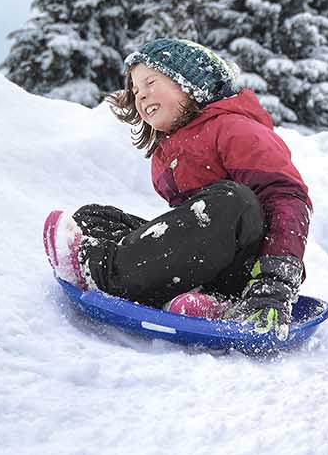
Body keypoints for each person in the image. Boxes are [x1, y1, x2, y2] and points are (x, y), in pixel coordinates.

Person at [43, 38, 312, 337]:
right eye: (135, 91)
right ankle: (210, 302)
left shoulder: (236, 128)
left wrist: (275, 281)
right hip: (209, 264)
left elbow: (287, 198)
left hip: (250, 270)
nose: (140, 96)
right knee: (94, 219)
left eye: (150, 83)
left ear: (191, 83)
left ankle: (106, 273)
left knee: (232, 200)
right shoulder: (172, 148)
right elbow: (188, 233)